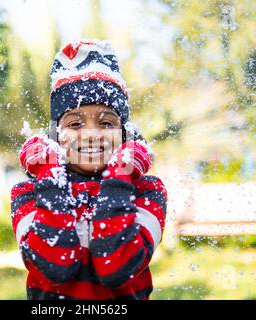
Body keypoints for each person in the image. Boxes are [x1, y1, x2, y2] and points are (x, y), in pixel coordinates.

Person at [11, 40, 167, 300]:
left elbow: (116, 266)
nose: (92, 134)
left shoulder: (148, 191)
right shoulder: (28, 193)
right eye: (74, 124)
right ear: (54, 134)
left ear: (125, 134)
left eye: (107, 123)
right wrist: (49, 174)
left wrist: (121, 174)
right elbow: (56, 265)